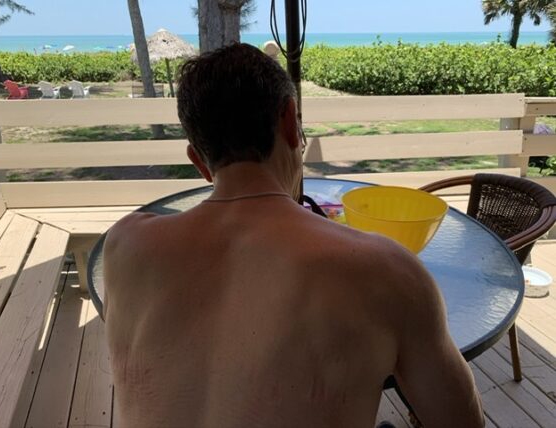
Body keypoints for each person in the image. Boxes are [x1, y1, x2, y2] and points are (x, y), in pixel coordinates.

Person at [103, 43, 484, 428]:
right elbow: (462, 422)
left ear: (199, 162)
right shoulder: (387, 270)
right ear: (290, 123)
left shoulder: (124, 246)